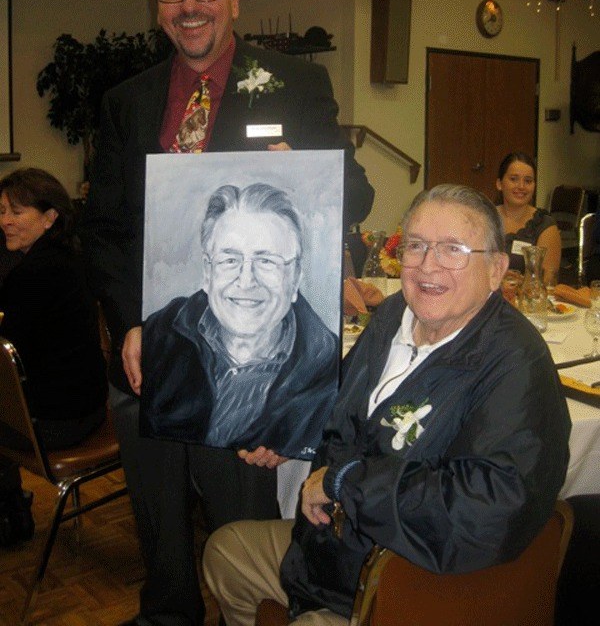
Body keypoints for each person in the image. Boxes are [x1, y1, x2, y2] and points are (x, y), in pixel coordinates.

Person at [80, 0, 373, 626]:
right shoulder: (127, 101)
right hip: (149, 349)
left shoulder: (297, 84)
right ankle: (169, 614)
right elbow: (105, 230)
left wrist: (306, 168)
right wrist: (129, 321)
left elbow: (354, 196)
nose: (190, 5)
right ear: (158, 7)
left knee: (238, 515)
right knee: (155, 512)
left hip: (253, 360)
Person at [202, 184, 571, 626]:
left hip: (412, 582)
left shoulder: (516, 363)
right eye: (416, 246)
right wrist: (291, 435)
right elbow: (345, 408)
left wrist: (346, 483)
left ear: (495, 269)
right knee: (225, 554)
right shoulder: (396, 315)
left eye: (453, 249)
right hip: (340, 546)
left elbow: (491, 508)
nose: (428, 265)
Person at [140, 182, 338, 458]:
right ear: (208, 273)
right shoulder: (162, 332)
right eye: (230, 260)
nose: (246, 282)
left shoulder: (326, 369)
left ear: (295, 279)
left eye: (267, 261)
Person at [0, 169, 108, 544]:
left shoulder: (34, 273)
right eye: (1, 212)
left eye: (16, 212)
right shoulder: (68, 257)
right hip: (88, 404)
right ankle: (11, 507)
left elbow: (12, 365)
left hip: (61, 420)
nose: (5, 222)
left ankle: (11, 514)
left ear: (49, 218)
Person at [496, 152, 561, 284]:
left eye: (528, 181)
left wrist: (519, 283)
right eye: (514, 179)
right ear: (499, 184)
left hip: (525, 301)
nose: (521, 186)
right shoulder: (483, 219)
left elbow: (548, 281)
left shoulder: (545, 225)